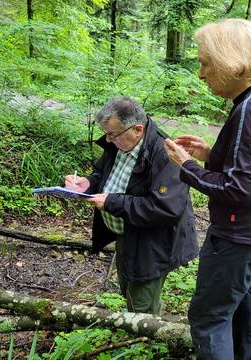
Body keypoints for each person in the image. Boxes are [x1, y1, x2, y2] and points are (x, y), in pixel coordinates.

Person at [163, 19, 251, 359]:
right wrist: (211, 155)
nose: (201, 74)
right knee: (249, 303)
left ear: (231, 61)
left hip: (240, 237)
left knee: (209, 317)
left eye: (205, 63)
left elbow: (237, 188)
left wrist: (187, 166)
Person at [65, 96, 198, 315]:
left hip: (153, 243)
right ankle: (140, 335)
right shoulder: (120, 144)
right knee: (128, 289)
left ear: (137, 129)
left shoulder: (166, 155)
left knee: (141, 305)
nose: (107, 140)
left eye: (112, 134)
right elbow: (104, 174)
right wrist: (87, 183)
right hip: (127, 233)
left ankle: (147, 343)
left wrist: (111, 202)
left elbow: (165, 208)